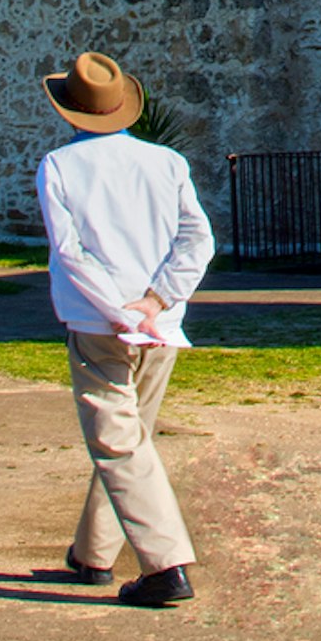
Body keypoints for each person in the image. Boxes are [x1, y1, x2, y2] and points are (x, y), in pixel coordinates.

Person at [32, 51, 211, 609]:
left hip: (100, 324)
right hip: (159, 326)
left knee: (117, 442)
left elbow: (71, 254)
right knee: (130, 439)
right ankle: (93, 553)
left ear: (71, 114)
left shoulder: (59, 167)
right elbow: (197, 240)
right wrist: (156, 301)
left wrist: (117, 309)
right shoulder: (167, 163)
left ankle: (165, 565)